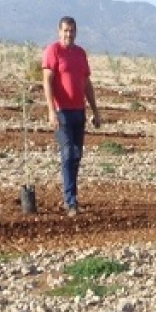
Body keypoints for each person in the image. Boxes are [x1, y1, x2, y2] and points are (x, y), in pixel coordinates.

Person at [42, 16, 102, 216]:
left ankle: (72, 196)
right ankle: (70, 200)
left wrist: (95, 111)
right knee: (68, 152)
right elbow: (47, 82)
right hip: (61, 112)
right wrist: (51, 110)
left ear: (76, 32)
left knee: (77, 155)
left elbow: (86, 84)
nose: (69, 34)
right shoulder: (53, 51)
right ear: (59, 31)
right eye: (65, 31)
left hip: (79, 111)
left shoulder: (80, 53)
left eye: (72, 31)